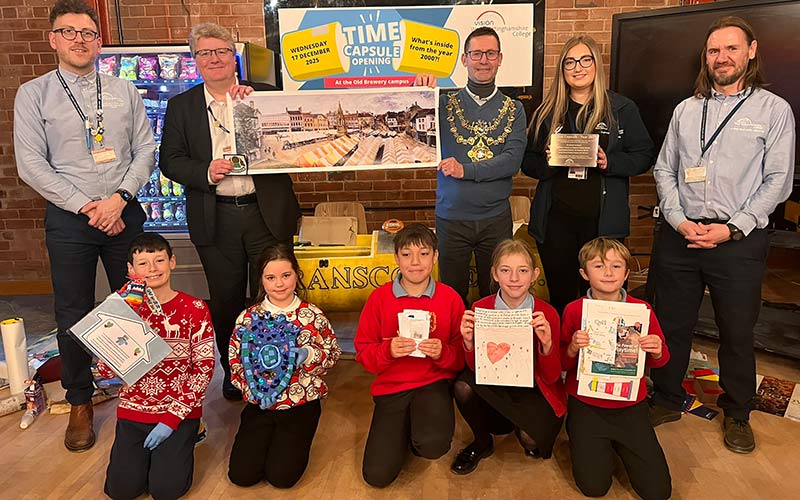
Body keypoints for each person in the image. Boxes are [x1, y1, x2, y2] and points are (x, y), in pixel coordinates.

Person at [13, 0, 155, 452]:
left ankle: (149, 393)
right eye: (69, 31)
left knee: (137, 304)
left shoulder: (123, 91)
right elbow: (31, 164)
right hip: (71, 218)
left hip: (123, 210)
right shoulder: (33, 94)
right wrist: (88, 207)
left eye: (88, 33)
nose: (79, 39)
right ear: (52, 38)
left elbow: (145, 150)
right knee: (72, 311)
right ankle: (79, 400)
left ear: (100, 41)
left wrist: (117, 201)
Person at [649, 16, 795, 454]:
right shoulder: (686, 110)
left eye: (731, 49)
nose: (722, 58)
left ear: (750, 51)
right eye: (714, 51)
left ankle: (737, 413)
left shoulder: (773, 110)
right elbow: (664, 169)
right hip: (682, 235)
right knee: (671, 323)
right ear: (706, 58)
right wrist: (678, 220)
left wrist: (731, 228)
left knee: (736, 331)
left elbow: (778, 181)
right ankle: (668, 396)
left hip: (738, 239)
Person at [159, 23, 301, 401]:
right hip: (216, 216)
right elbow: (170, 161)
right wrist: (205, 171)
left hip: (265, 212)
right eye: (204, 53)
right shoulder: (181, 106)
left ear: (233, 54)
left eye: (221, 50)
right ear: (195, 61)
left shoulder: (264, 95)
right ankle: (235, 369)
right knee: (225, 300)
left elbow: (291, 147)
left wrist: (255, 108)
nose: (214, 58)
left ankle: (279, 363)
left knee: (276, 293)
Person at [522, 35, 655, 314]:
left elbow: (644, 155)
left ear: (596, 65)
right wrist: (548, 162)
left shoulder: (621, 109)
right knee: (561, 299)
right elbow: (528, 163)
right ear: (562, 69)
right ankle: (564, 355)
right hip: (556, 224)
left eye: (585, 60)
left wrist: (611, 162)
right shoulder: (546, 112)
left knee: (603, 301)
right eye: (569, 62)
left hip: (603, 224)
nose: (577, 67)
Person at [415, 26, 527, 306]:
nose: (483, 60)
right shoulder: (441, 104)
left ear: (500, 59)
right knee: (452, 296)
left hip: (495, 217)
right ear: (464, 60)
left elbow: (512, 161)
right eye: (476, 54)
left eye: (490, 53)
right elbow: (413, 121)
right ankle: (458, 349)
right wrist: (419, 92)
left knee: (498, 295)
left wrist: (466, 170)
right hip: (452, 218)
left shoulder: (515, 109)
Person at [100, 233, 215, 500]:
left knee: (166, 491)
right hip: (134, 410)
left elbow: (204, 369)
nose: (152, 269)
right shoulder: (119, 306)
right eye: (143, 263)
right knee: (121, 491)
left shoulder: (195, 308)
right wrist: (120, 316)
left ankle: (191, 434)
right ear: (131, 270)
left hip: (177, 412)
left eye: (159, 260)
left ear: (172, 262)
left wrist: (172, 418)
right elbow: (106, 372)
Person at [354, 224, 465, 487]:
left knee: (433, 446)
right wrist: (388, 350)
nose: (415, 263)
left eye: (424, 254)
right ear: (396, 258)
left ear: (436, 257)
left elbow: (462, 357)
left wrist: (443, 352)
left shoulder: (450, 298)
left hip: (432, 383)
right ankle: (401, 430)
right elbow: (363, 353)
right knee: (377, 476)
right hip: (391, 388)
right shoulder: (380, 299)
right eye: (406, 255)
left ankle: (418, 431)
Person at [561, 238, 671, 500]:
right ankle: (593, 443)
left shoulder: (641, 310)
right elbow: (560, 364)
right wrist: (573, 348)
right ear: (584, 274)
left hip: (630, 406)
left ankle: (620, 446)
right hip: (586, 406)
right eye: (599, 266)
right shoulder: (575, 310)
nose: (608, 272)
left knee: (658, 493)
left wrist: (656, 349)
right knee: (594, 488)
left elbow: (661, 360)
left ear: (626, 274)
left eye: (616, 266)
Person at [227, 244, 341, 488]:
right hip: (260, 405)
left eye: (286, 275)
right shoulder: (247, 318)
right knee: (241, 476)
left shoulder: (313, 315)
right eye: (271, 277)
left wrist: (308, 354)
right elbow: (236, 363)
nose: (279, 284)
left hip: (300, 405)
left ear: (297, 275)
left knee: (282, 478)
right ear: (261, 280)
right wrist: (254, 393)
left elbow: (333, 353)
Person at [451, 239, 565, 475]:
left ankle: (521, 424)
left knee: (531, 441)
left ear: (534, 275)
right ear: (494, 274)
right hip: (496, 384)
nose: (514, 278)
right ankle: (482, 441)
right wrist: (469, 342)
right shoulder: (481, 308)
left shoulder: (547, 313)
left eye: (522, 271)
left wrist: (547, 345)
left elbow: (553, 375)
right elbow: (475, 368)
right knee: (463, 386)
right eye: (505, 270)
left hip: (534, 387)